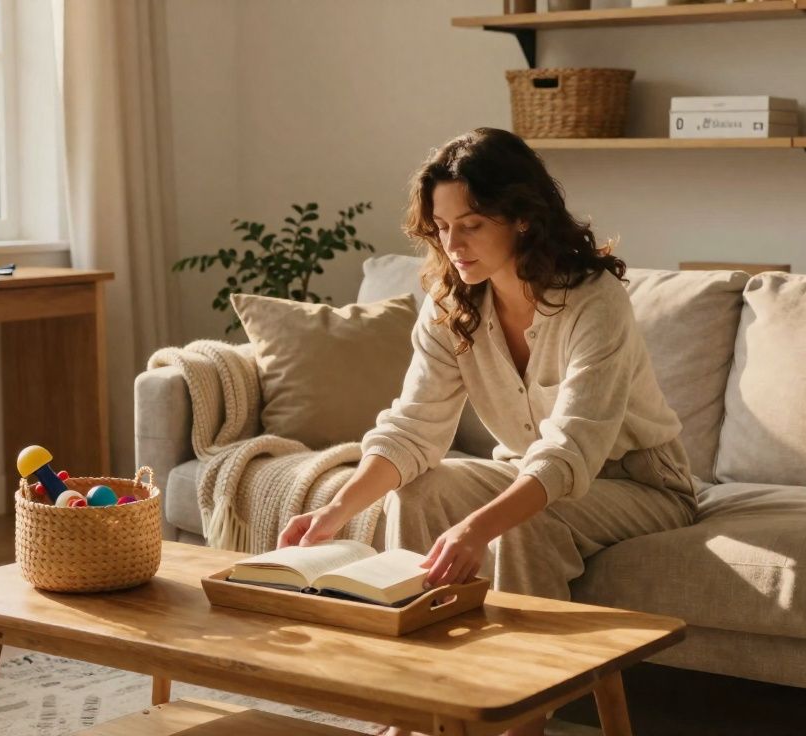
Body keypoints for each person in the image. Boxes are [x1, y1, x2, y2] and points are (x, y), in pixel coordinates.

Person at [278, 127, 697, 736]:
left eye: (471, 224)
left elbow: (569, 448)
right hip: (528, 470)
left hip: (642, 486)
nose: (453, 243)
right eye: (442, 227)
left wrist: (477, 528)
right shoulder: (451, 304)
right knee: (422, 488)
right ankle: (421, 708)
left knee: (524, 523)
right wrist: (335, 512)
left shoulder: (594, 301)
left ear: (522, 218)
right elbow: (414, 431)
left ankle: (519, 719)